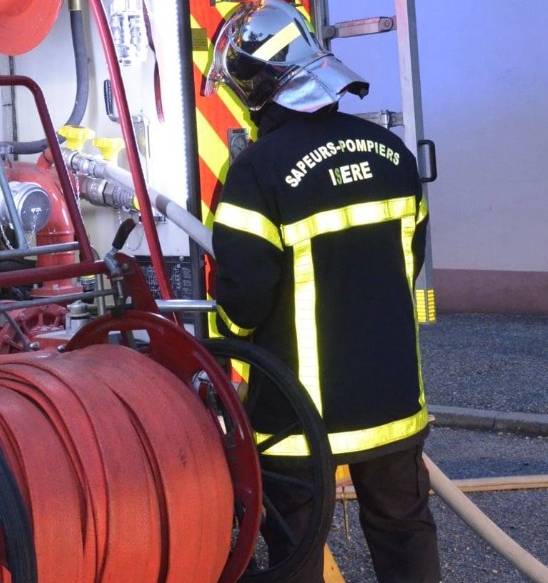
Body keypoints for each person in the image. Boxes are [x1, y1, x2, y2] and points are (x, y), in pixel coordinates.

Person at [205, 1, 441, 582]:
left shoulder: (258, 173)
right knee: (404, 530)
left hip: (298, 417)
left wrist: (224, 349)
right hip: (392, 402)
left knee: (296, 549)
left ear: (258, 86)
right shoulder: (391, 154)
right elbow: (408, 259)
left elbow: (241, 301)